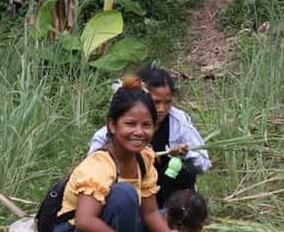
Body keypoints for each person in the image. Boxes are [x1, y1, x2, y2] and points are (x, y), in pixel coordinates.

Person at [51, 77, 170, 232]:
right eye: (130, 124)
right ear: (113, 126)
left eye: (146, 125)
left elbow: (149, 212)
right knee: (124, 195)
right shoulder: (100, 165)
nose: (139, 132)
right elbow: (85, 222)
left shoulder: (143, 158)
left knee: (175, 214)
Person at [89, 65, 211, 208]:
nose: (162, 109)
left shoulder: (178, 121)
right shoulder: (108, 134)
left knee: (183, 173)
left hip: (160, 191)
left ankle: (174, 216)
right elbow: (93, 171)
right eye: (156, 102)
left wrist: (186, 154)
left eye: (167, 102)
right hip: (125, 193)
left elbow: (203, 163)